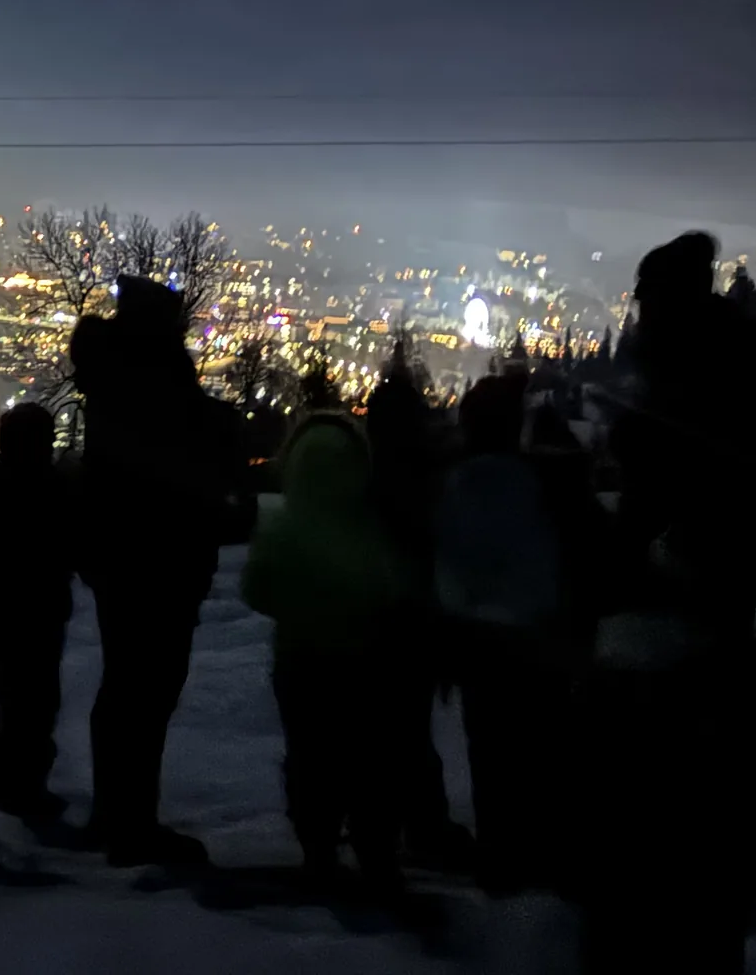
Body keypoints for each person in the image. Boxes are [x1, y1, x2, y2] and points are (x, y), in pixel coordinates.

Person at [579, 232, 756, 973]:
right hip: (697, 624)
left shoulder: (693, 375)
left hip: (673, 631)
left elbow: (678, 500)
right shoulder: (728, 361)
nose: (635, 310)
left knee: (660, 831)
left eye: (643, 295)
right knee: (695, 844)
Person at [70, 278, 241, 867]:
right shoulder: (152, 380)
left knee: (124, 687)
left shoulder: (112, 376)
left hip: (122, 555)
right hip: (162, 555)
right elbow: (190, 449)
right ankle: (132, 823)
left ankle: (115, 813)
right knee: (147, 691)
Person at [242, 397, 404, 896]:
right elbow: (393, 587)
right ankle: (376, 850)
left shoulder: (283, 527)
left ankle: (318, 847)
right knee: (368, 756)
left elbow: (255, 589)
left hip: (299, 659)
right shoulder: (371, 528)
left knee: (310, 755)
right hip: (363, 659)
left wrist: (298, 608)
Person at [436, 370, 574, 892]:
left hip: (480, 641)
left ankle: (501, 861)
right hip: (538, 639)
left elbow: (451, 568)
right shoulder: (541, 481)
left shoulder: (457, 484)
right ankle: (545, 861)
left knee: (491, 755)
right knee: (540, 754)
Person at [365, 348, 471, 868]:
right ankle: (421, 827)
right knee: (408, 727)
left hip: (378, 615)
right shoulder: (427, 478)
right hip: (412, 614)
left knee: (387, 727)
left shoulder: (369, 477)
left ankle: (382, 825)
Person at [0, 401, 78, 826]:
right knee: (35, 700)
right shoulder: (55, 487)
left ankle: (8, 780)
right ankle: (23, 786)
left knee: (12, 696)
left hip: (1, 607)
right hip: (42, 607)